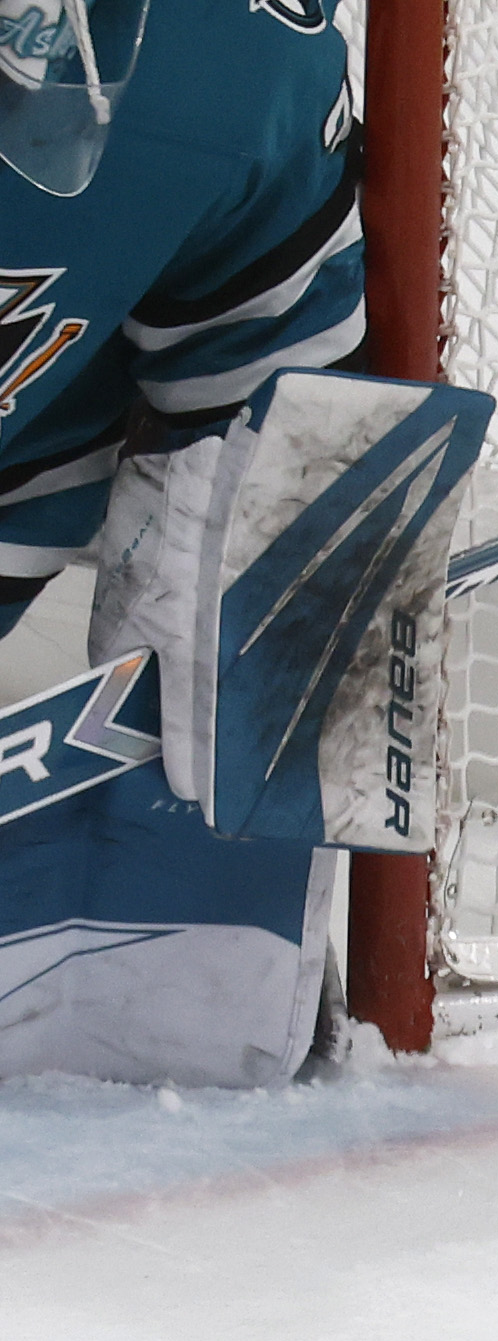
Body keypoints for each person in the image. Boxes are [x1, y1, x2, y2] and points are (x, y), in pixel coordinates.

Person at [0, 0, 366, 1087]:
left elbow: (265, 368)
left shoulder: (232, 67)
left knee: (191, 986)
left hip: (47, 413)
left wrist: (254, 608)